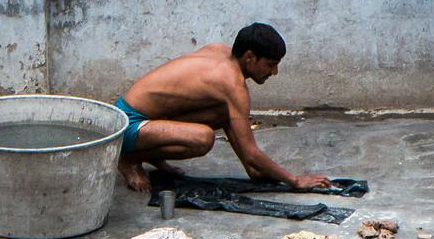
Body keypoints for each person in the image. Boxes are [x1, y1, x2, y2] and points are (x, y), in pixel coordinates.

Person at [112, 23, 333, 193]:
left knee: (221, 110)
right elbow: (251, 152)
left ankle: (150, 155)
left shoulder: (220, 50)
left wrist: (253, 171)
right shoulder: (233, 85)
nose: (273, 72)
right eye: (270, 65)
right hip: (129, 124)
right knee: (203, 139)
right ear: (249, 57)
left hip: (137, 117)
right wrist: (294, 180)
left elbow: (232, 127)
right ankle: (129, 159)